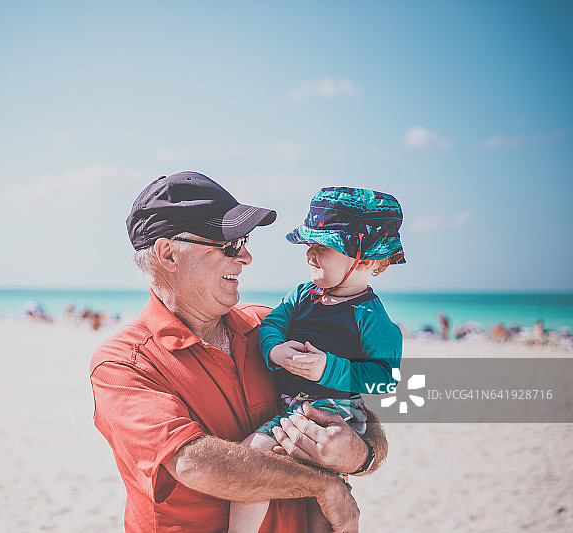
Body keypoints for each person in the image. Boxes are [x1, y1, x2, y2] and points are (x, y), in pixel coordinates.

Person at [90, 173, 388, 533]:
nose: (246, 256)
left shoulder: (269, 327)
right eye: (229, 245)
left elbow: (358, 409)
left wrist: (362, 454)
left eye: (243, 240)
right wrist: (323, 486)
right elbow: (194, 462)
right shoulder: (123, 364)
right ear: (167, 253)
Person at [228, 187, 405, 533]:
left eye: (323, 246)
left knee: (261, 464)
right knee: (267, 469)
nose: (310, 253)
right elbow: (273, 324)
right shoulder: (302, 295)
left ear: (364, 260)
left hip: (333, 414)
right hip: (290, 406)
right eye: (308, 244)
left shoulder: (371, 316)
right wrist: (274, 349)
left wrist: (329, 368)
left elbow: (385, 378)